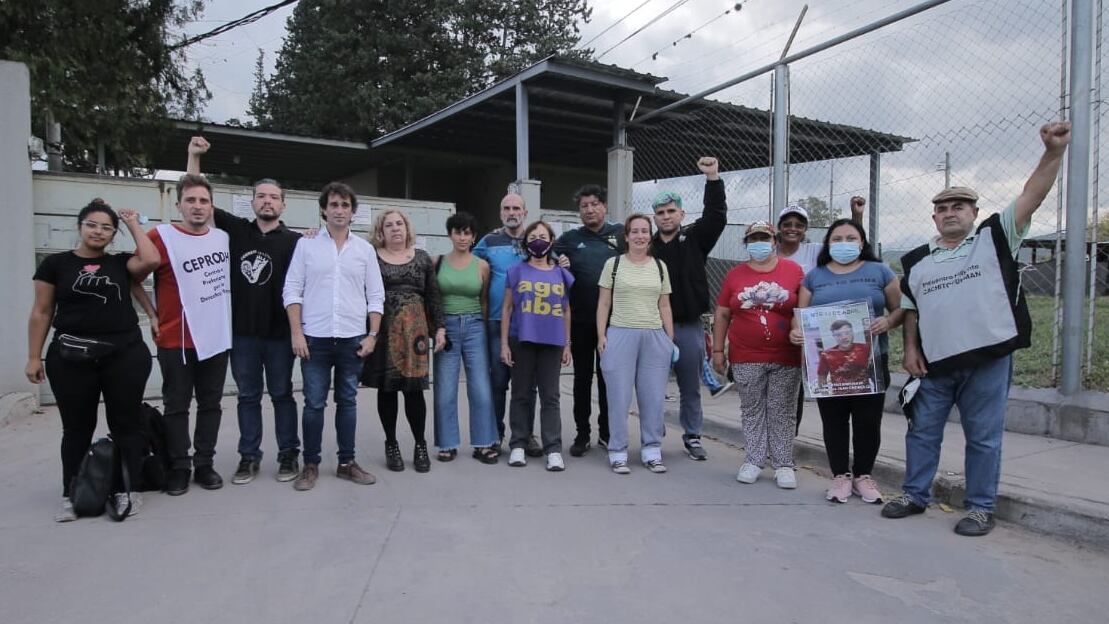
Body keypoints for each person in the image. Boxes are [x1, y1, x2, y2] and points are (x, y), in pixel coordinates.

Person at [882, 122, 1071, 536]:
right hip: (934, 364)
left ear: (974, 213)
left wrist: (1053, 154)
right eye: (943, 208)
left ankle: (981, 508)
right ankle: (915, 495)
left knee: (983, 438)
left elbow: (1032, 195)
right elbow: (912, 307)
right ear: (934, 216)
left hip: (988, 359)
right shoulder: (916, 260)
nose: (951, 212)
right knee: (922, 432)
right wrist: (910, 349)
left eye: (959, 207)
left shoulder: (994, 238)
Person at [27, 199, 161, 520]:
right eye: (92, 225)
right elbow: (42, 311)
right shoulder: (55, 265)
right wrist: (34, 356)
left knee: (126, 425)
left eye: (106, 228)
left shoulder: (119, 264)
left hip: (123, 354)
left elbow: (152, 259)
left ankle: (128, 489)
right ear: (80, 227)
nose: (98, 232)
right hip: (71, 357)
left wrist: (131, 223)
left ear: (113, 235)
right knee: (76, 428)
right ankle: (72, 491)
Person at [186, 136, 303, 485]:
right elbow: (198, 194)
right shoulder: (235, 231)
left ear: (284, 205)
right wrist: (194, 157)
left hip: (280, 336)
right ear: (252, 201)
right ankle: (248, 456)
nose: (267, 201)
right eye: (261, 195)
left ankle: (288, 455)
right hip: (242, 335)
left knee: (282, 395)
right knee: (248, 397)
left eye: (274, 197)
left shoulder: (298, 242)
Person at [790, 219, 902, 504]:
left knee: (868, 420)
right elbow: (800, 316)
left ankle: (864, 476)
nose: (843, 244)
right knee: (834, 420)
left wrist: (887, 321)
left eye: (850, 238)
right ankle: (840, 476)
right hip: (829, 365)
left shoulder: (880, 271)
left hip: (870, 363)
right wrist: (797, 332)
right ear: (828, 244)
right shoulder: (814, 276)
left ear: (862, 242)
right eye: (837, 239)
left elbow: (900, 309)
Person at [283, 182, 384, 491]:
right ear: (324, 210)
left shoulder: (364, 250)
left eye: (345, 205)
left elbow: (376, 296)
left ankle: (346, 463)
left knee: (348, 402)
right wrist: (297, 332)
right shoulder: (306, 245)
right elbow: (292, 289)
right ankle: (310, 465)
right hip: (315, 339)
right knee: (314, 404)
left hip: (353, 340)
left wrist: (373, 336)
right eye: (334, 204)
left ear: (352, 212)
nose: (339, 210)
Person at [146, 174, 233, 496]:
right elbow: (132, 273)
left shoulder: (223, 238)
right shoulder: (161, 236)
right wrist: (152, 314)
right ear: (179, 204)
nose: (197, 206)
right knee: (176, 406)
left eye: (204, 201)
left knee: (211, 404)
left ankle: (205, 464)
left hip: (215, 337)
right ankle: (179, 466)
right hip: (175, 339)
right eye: (191, 200)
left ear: (211, 207)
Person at [712, 221, 804, 489]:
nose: (759, 243)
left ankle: (783, 463)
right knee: (752, 409)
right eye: (753, 239)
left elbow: (803, 307)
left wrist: (800, 332)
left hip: (785, 355)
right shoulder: (735, 275)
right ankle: (753, 459)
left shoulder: (794, 271)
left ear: (775, 241)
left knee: (782, 410)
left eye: (764, 237)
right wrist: (718, 350)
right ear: (747, 244)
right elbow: (723, 313)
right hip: (745, 355)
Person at [650, 156, 727, 461]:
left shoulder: (695, 239)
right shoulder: (647, 247)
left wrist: (713, 179)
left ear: (681, 213)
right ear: (653, 217)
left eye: (671, 211)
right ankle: (653, 434)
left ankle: (693, 436)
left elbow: (716, 216)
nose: (666, 217)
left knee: (689, 386)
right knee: (652, 386)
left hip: (688, 325)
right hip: (652, 327)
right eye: (660, 213)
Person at [361, 209, 446, 474]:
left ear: (407, 228)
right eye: (389, 225)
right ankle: (391, 444)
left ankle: (420, 445)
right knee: (387, 390)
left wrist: (440, 329)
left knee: (414, 391)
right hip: (384, 331)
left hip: (415, 335)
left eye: (400, 223)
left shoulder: (421, 258)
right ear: (381, 231)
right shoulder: (371, 257)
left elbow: (433, 296)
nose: (395, 228)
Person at [778, 197, 866, 433]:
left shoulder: (815, 251)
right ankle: (770, 442)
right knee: (782, 385)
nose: (793, 229)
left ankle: (787, 440)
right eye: (787, 224)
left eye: (799, 224)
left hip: (809, 327)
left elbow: (847, 247)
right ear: (779, 227)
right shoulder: (770, 253)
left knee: (799, 383)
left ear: (805, 229)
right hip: (779, 325)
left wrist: (856, 217)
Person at [596, 214, 675, 475]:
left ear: (649, 235)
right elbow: (604, 303)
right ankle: (617, 451)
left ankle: (652, 450)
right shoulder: (614, 264)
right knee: (618, 397)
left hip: (653, 336)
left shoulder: (660, 267)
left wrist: (668, 339)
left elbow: (664, 304)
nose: (640, 236)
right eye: (635, 231)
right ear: (626, 236)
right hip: (620, 333)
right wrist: (601, 336)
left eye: (644, 231)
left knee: (652, 397)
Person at [553, 185, 626, 457]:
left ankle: (607, 433)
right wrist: (556, 260)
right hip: (581, 320)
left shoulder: (620, 233)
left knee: (609, 379)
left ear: (604, 206)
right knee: (582, 380)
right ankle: (582, 435)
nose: (590, 209)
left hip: (613, 321)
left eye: (595, 204)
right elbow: (545, 252)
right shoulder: (570, 238)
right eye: (584, 206)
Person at [500, 221, 574, 471]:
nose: (538, 240)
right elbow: (507, 308)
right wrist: (503, 344)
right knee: (520, 393)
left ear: (551, 240)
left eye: (543, 236)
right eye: (533, 236)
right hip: (521, 340)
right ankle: (518, 444)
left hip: (552, 342)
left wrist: (567, 344)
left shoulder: (560, 273)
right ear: (526, 242)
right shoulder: (516, 271)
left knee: (550, 396)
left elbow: (565, 311)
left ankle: (553, 449)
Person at [473, 193, 538, 456]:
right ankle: (495, 435)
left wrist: (563, 261)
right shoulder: (488, 241)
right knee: (498, 382)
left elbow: (552, 266)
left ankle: (525, 435)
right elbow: (467, 263)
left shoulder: (535, 239)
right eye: (506, 208)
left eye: (516, 208)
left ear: (524, 212)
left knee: (527, 385)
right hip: (495, 323)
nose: (511, 212)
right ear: (501, 213)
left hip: (529, 323)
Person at [433, 211, 499, 465]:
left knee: (481, 387)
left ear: (473, 237)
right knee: (446, 388)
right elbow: (433, 298)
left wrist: (482, 329)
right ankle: (447, 444)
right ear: (450, 234)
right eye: (458, 232)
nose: (462, 237)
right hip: (446, 327)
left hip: (474, 327)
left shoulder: (481, 265)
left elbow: (483, 301)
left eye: (467, 233)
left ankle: (483, 443)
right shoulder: (436, 261)